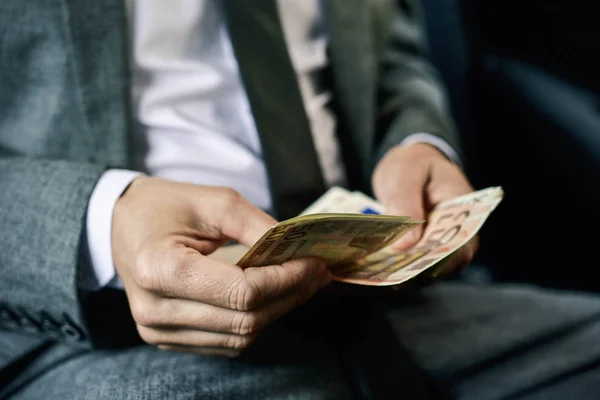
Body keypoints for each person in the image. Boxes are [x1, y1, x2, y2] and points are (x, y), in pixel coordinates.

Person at [1, 0, 600, 399]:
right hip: (93, 330)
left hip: (382, 298)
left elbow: (392, 54)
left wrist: (417, 141)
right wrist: (105, 220)